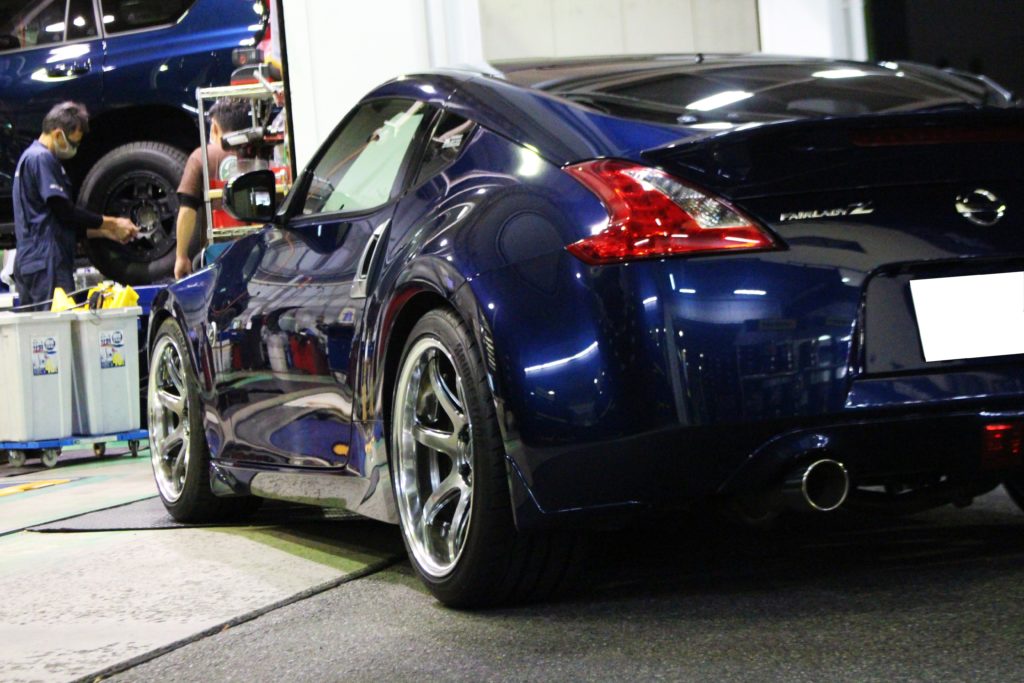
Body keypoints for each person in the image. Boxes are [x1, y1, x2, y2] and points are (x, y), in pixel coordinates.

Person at [12, 102, 138, 310]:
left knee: (38, 327)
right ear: (58, 134)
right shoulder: (42, 158)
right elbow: (64, 211)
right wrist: (113, 223)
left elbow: (55, 223)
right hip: (48, 264)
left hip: (32, 262)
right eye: (73, 142)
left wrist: (105, 232)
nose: (75, 149)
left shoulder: (29, 158)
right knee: (56, 325)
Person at [174, 97, 252, 279]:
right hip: (256, 247)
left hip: (218, 253)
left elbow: (187, 209)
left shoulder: (201, 156)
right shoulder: (258, 152)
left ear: (215, 127)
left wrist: (181, 257)